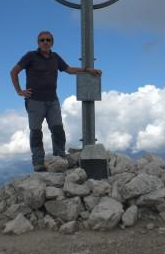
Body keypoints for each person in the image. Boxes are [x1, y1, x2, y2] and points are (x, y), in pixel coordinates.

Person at [10, 30, 102, 172]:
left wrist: (87, 70)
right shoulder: (30, 56)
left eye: (48, 40)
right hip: (34, 100)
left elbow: (69, 70)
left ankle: (59, 156)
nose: (45, 42)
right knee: (36, 131)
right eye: (42, 40)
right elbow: (14, 71)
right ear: (38, 43)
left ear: (52, 42)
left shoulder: (55, 57)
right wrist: (19, 91)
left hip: (52, 100)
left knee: (58, 129)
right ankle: (38, 162)